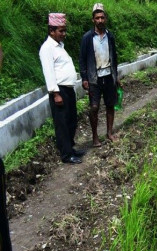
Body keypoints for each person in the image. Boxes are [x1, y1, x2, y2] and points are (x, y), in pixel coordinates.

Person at [39, 13, 84, 164]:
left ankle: (71, 148)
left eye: (65, 30)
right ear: (51, 31)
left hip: (68, 90)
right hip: (59, 91)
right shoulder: (47, 48)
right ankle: (66, 155)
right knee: (62, 123)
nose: (64, 34)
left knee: (71, 120)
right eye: (61, 31)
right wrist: (55, 93)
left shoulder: (59, 46)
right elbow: (49, 72)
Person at [79, 3, 121, 148]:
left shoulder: (110, 36)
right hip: (94, 78)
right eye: (97, 18)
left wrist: (117, 76)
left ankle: (109, 133)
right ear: (93, 20)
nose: (100, 20)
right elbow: (82, 59)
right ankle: (95, 136)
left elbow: (114, 57)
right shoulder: (87, 38)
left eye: (102, 17)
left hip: (109, 76)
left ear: (105, 19)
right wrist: (84, 78)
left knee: (110, 105)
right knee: (94, 107)